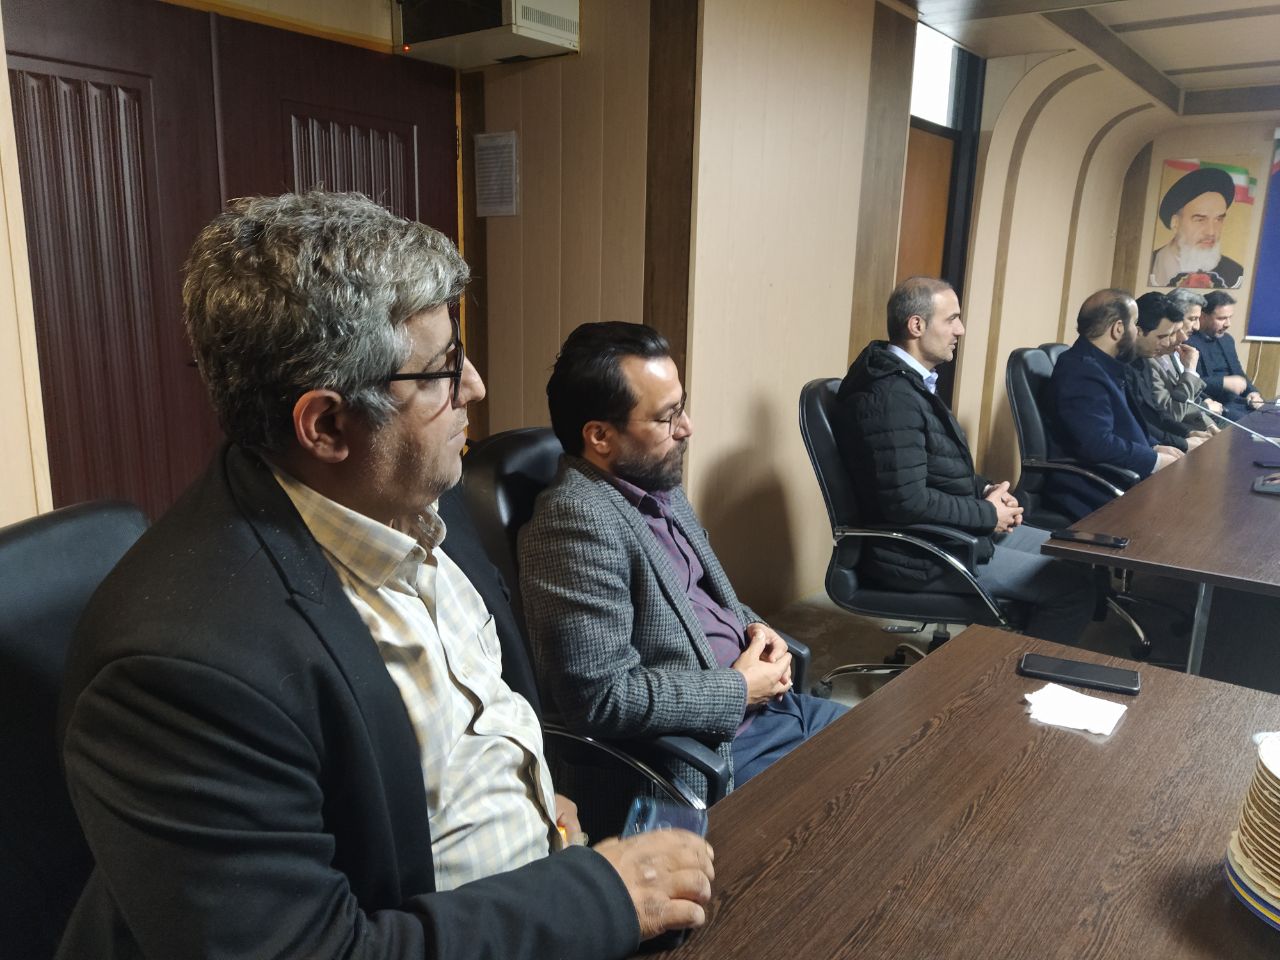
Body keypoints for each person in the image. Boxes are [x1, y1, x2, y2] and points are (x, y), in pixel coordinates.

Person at [56, 192, 714, 960]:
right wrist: (598, 896)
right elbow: (312, 950)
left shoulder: (414, 487)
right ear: (329, 424)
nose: (475, 386)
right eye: (442, 369)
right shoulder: (181, 674)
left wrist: (537, 802)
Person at [518, 322, 846, 796]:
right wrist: (739, 690)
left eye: (682, 406)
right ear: (600, 436)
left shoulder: (657, 484)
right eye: (667, 417)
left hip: (774, 710)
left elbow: (700, 600)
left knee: (899, 742)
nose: (687, 427)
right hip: (717, 753)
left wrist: (756, 628)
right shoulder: (573, 522)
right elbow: (600, 699)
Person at [831, 277, 1094, 646]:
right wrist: (987, 515)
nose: (961, 329)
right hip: (919, 554)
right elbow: (906, 501)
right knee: (1073, 587)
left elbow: (935, 468)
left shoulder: (909, 383)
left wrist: (986, 490)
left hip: (950, 535)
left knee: (1072, 554)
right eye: (951, 319)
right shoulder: (891, 398)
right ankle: (1013, 678)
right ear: (916, 325)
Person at [1045, 289, 1184, 522]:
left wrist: (1155, 446)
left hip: (1123, 477)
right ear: (1118, 328)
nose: (1136, 331)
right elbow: (1097, 444)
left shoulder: (1103, 365)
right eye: (1135, 324)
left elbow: (1124, 426)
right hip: (1096, 489)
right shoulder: (1081, 371)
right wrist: (1154, 461)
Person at [1125, 292, 1210, 454]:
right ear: (1138, 331)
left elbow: (1155, 414)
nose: (1168, 342)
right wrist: (1179, 444)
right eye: (1163, 336)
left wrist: (1188, 433)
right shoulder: (1124, 365)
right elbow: (1133, 424)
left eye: (1171, 335)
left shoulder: (1143, 359)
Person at [1149, 166, 1244, 289]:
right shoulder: (1149, 265)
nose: (1211, 232)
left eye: (1218, 219)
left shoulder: (1235, 275)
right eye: (1200, 220)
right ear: (1175, 222)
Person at [1186, 290, 1263, 420]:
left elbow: (1239, 373)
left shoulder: (1227, 340)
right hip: (1213, 403)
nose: (1228, 324)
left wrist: (1253, 392)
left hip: (1236, 400)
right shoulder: (1188, 342)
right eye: (1221, 318)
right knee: (1252, 423)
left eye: (1229, 318)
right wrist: (1223, 382)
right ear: (1203, 316)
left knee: (1268, 415)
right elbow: (1190, 382)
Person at [1151, 288, 1219, 432]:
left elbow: (1189, 400)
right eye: (1192, 319)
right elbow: (1173, 413)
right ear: (1175, 316)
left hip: (1196, 423)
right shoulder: (1150, 356)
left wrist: (1209, 425)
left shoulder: (1175, 350)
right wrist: (1190, 370)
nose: (1197, 327)